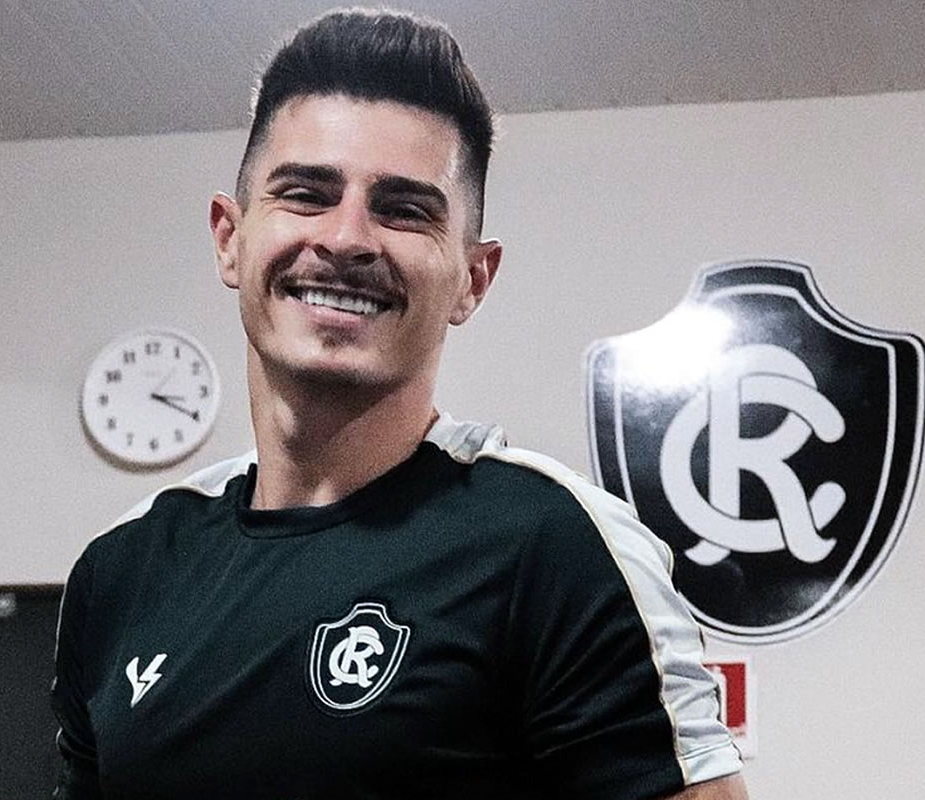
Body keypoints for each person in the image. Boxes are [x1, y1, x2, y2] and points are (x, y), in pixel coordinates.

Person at [51, 8, 748, 799]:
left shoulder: (555, 549)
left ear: (473, 280)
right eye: (306, 194)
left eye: (404, 209)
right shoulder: (123, 571)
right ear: (229, 239)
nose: (347, 239)